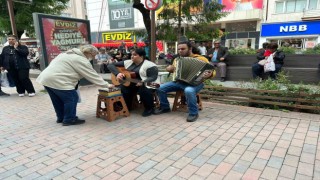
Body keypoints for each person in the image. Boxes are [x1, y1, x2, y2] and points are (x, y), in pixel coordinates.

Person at [36, 45, 114, 126]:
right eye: (93, 55)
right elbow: (92, 75)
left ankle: (61, 117)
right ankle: (69, 119)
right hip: (59, 80)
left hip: (46, 79)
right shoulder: (81, 60)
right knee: (72, 98)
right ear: (88, 53)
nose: (94, 57)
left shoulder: (66, 54)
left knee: (57, 100)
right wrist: (107, 85)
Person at [154, 41, 214, 122]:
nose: (180, 51)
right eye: (179, 49)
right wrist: (169, 69)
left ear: (190, 49)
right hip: (179, 82)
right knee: (160, 88)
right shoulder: (177, 59)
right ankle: (165, 107)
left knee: (189, 90)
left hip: (195, 83)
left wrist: (209, 74)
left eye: (183, 49)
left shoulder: (201, 58)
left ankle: (193, 113)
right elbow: (172, 69)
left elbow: (212, 70)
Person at [107, 48, 159, 117]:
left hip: (152, 84)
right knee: (121, 88)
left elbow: (153, 77)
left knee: (144, 89)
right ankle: (126, 107)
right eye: (131, 54)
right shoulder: (128, 62)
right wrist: (118, 74)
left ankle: (149, 108)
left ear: (141, 56)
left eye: (134, 55)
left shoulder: (150, 65)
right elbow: (110, 65)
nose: (132, 56)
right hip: (133, 83)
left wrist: (143, 81)